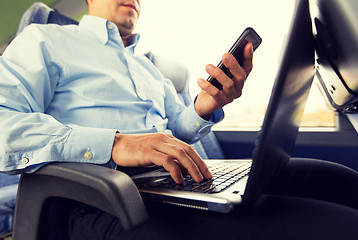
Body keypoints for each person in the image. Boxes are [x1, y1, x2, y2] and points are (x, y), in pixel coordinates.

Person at [2, 0, 358, 239]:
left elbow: (174, 131)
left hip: (169, 183)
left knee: (334, 180)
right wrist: (116, 143)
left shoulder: (149, 67)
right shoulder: (46, 40)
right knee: (333, 226)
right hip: (98, 197)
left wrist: (203, 107)